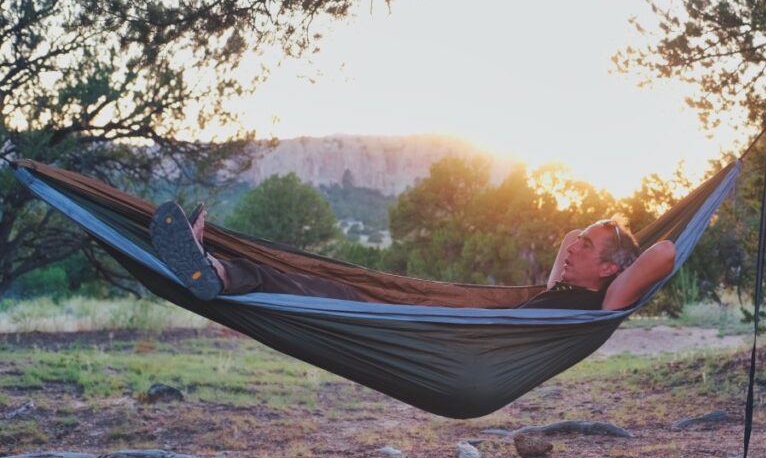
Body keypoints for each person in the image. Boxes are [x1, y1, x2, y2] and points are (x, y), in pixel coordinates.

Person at [150, 202, 676, 311]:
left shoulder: (603, 303)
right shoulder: (560, 292)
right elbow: (566, 237)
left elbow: (666, 250)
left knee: (313, 286)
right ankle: (206, 258)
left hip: (449, 334)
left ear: (610, 270)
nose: (572, 245)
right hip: (448, 322)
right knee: (312, 275)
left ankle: (212, 271)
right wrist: (583, 235)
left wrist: (618, 270)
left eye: (588, 245)